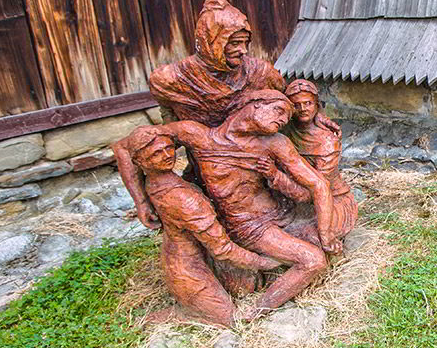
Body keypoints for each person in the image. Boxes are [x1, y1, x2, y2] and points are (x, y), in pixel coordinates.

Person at [118, 90, 339, 320]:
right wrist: (142, 201)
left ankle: (262, 300)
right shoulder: (199, 136)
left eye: (286, 117)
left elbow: (318, 184)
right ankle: (255, 313)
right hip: (250, 226)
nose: (283, 120)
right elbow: (126, 147)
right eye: (279, 111)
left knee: (326, 241)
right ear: (255, 105)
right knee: (312, 260)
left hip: (283, 211)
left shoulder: (276, 143)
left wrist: (326, 234)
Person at [112, 126, 280, 327]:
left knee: (248, 285)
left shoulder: (156, 181)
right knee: (227, 319)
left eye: (169, 148)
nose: (167, 155)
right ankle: (167, 316)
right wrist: (267, 262)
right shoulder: (183, 199)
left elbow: (121, 147)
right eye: (156, 153)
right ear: (139, 161)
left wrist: (141, 201)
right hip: (188, 270)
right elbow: (223, 250)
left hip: (200, 254)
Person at [148, 0, 286, 127]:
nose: (243, 50)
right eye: (235, 43)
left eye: (245, 43)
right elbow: (171, 125)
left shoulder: (260, 73)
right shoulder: (171, 79)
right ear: (210, 42)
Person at [265, 79, 359, 251]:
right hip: (290, 197)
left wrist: (276, 177)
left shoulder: (327, 142)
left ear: (316, 104)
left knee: (304, 237)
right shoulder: (286, 130)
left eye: (308, 103)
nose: (303, 109)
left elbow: (316, 192)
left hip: (328, 203)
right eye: (296, 104)